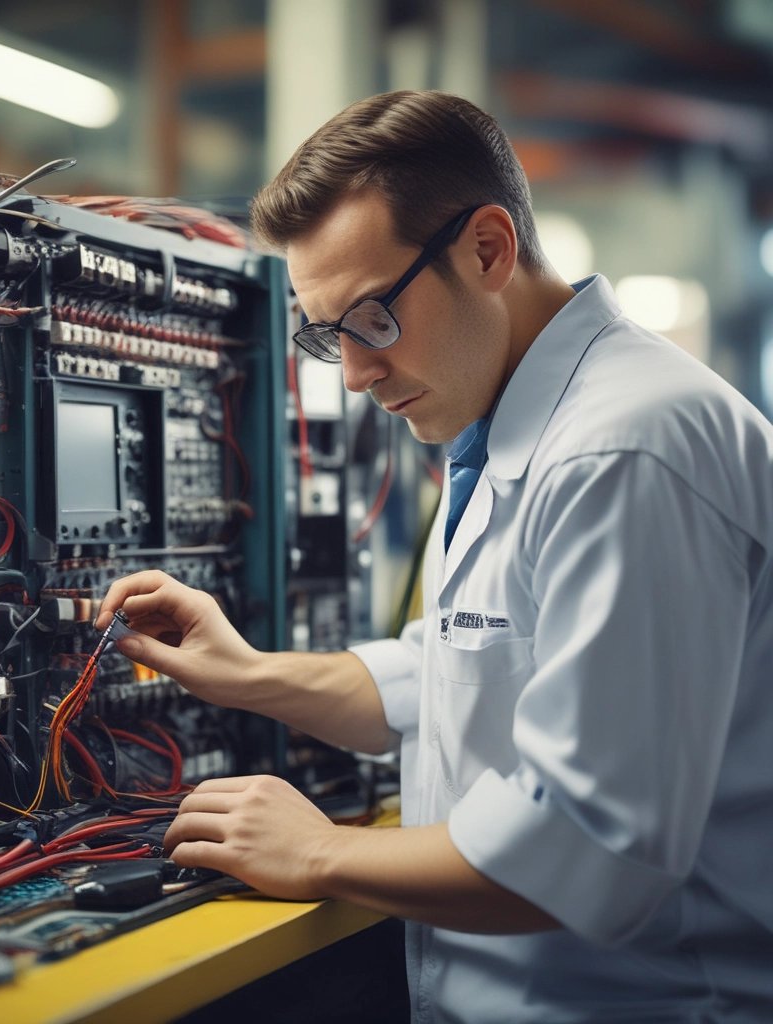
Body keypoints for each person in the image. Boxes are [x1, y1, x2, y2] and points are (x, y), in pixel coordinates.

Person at [96, 90, 773, 1022]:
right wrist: (248, 675)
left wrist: (321, 851)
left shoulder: (626, 448)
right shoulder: (510, 430)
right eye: (326, 335)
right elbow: (446, 674)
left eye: (373, 318)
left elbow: (593, 852)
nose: (358, 373)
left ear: (488, 249)